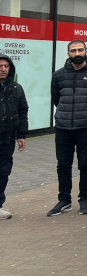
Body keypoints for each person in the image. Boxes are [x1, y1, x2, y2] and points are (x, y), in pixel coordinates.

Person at [49, 40, 87, 216]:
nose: (77, 53)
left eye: (80, 50)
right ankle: (64, 200)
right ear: (68, 53)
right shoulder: (58, 75)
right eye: (73, 50)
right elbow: (56, 99)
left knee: (85, 164)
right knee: (63, 165)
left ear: (86, 51)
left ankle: (85, 199)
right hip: (63, 126)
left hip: (86, 126)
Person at [0, 54, 28, 219]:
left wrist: (21, 135)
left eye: (6, 66)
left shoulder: (16, 88)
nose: (3, 69)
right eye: (0, 66)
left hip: (7, 139)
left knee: (3, 172)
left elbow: (23, 112)